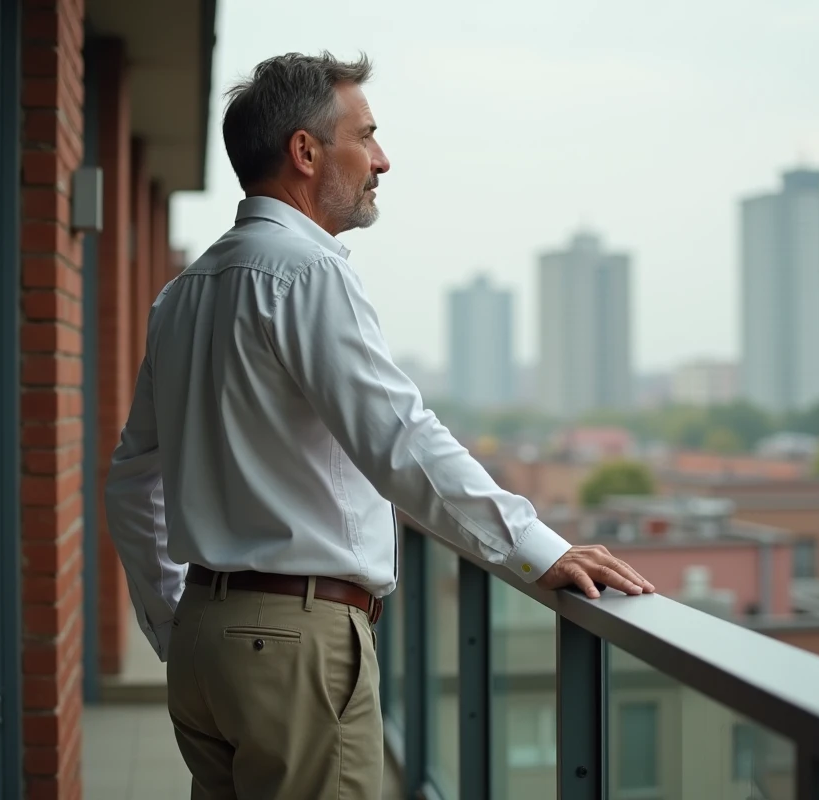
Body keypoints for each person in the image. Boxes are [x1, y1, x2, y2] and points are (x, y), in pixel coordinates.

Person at [103, 51, 654, 800]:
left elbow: (132, 482)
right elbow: (401, 439)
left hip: (206, 641)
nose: (382, 160)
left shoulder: (182, 294)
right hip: (293, 644)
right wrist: (537, 550)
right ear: (305, 151)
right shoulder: (309, 273)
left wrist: (177, 618)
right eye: (365, 136)